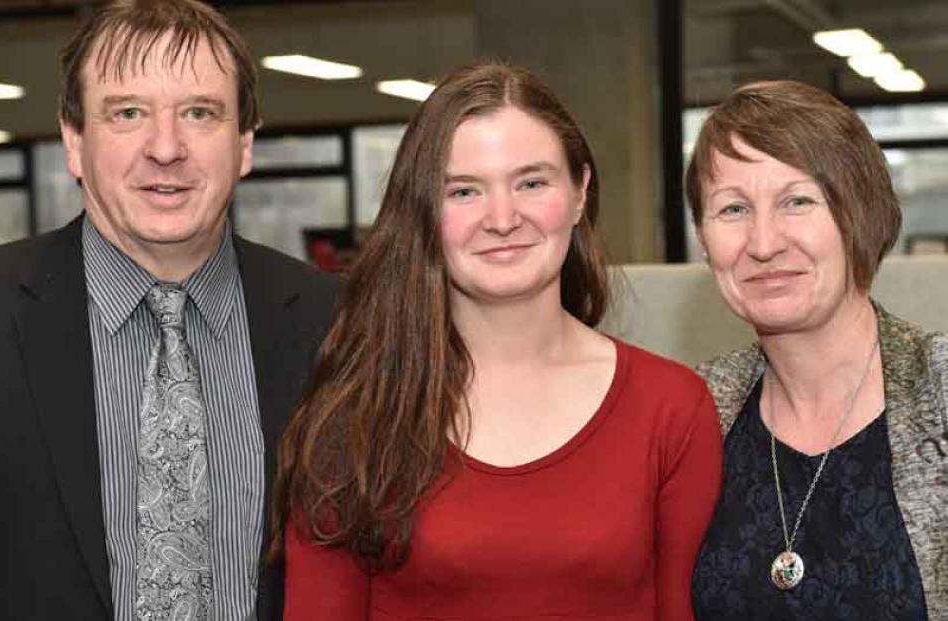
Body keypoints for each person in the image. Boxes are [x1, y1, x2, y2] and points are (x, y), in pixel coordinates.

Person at [271, 60, 723, 620]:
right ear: (423, 213)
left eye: (531, 182)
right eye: (464, 191)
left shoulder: (670, 408)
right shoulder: (355, 415)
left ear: (580, 192)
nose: (502, 218)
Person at [0, 1, 337, 619]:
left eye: (200, 113)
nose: (166, 148)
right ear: (74, 141)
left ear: (244, 143)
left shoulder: (337, 326)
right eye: (128, 113)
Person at [686, 80, 948, 619]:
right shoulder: (692, 410)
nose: (763, 243)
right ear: (703, 236)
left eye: (797, 201)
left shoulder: (941, 392)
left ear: (862, 213)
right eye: (732, 210)